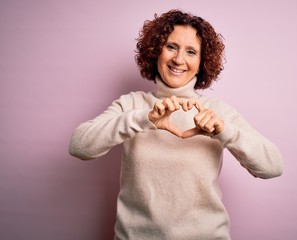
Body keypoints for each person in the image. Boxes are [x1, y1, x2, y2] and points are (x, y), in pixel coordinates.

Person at [69, 9, 283, 240]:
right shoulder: (132, 104)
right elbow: (79, 146)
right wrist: (144, 119)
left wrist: (224, 131)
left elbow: (272, 167)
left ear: (202, 62)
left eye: (191, 52)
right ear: (156, 51)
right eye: (171, 47)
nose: (179, 60)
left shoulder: (217, 111)